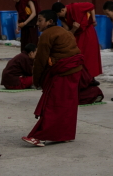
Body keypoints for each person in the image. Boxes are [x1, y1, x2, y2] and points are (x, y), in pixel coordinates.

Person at [22, 9, 92, 146]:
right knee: (68, 104)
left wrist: (37, 80)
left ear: (50, 22)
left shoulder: (46, 35)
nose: (37, 23)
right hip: (74, 70)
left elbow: (40, 60)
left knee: (53, 104)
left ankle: (40, 136)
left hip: (63, 72)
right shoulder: (64, 31)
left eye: (40, 20)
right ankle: (65, 134)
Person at [56, 0, 104, 81]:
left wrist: (93, 19)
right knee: (78, 56)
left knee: (90, 56)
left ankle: (91, 78)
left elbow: (91, 6)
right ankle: (80, 77)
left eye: (59, 14)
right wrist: (74, 29)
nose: (59, 16)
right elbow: (68, 33)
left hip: (88, 32)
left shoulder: (75, 7)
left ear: (62, 10)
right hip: (77, 36)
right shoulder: (62, 17)